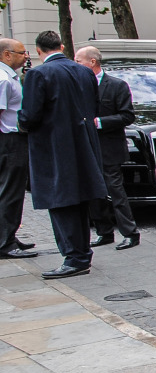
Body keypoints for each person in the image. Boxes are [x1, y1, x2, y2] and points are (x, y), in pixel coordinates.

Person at [19, 31, 106, 278]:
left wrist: (21, 124)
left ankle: (74, 257)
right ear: (62, 46)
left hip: (54, 146)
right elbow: (94, 106)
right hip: (84, 143)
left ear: (38, 50)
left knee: (60, 201)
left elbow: (30, 115)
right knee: (79, 200)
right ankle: (81, 254)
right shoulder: (85, 72)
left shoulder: (37, 73)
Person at [74, 46, 140, 250]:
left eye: (78, 61)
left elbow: (127, 115)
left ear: (92, 62)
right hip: (86, 147)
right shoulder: (77, 85)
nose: (75, 64)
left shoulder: (117, 85)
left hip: (109, 147)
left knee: (116, 191)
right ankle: (104, 232)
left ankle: (130, 233)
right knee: (94, 192)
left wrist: (99, 122)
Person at [0, 39, 36, 259]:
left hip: (12, 140)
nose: (26, 56)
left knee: (12, 191)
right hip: (9, 141)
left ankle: (9, 236)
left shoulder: (9, 77)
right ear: (6, 55)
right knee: (10, 192)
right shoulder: (3, 80)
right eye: (22, 53)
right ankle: (5, 242)